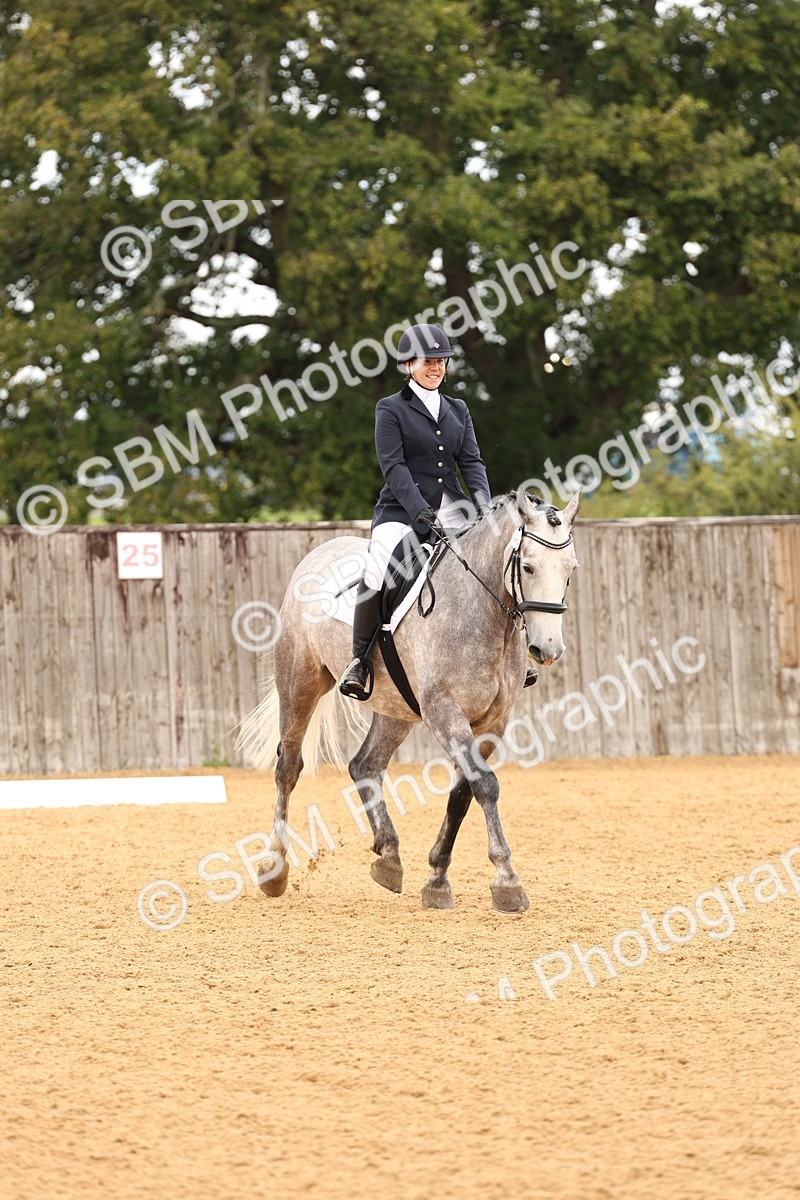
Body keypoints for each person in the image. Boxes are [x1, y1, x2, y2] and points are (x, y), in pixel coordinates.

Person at [339, 322, 537, 700]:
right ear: (408, 364)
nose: (436, 367)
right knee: (379, 566)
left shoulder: (458, 409)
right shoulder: (391, 409)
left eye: (441, 361)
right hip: (402, 509)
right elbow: (393, 467)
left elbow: (472, 461)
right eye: (428, 361)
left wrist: (484, 509)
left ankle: (518, 653)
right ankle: (359, 660)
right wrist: (418, 509)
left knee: (501, 561)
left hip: (456, 509)